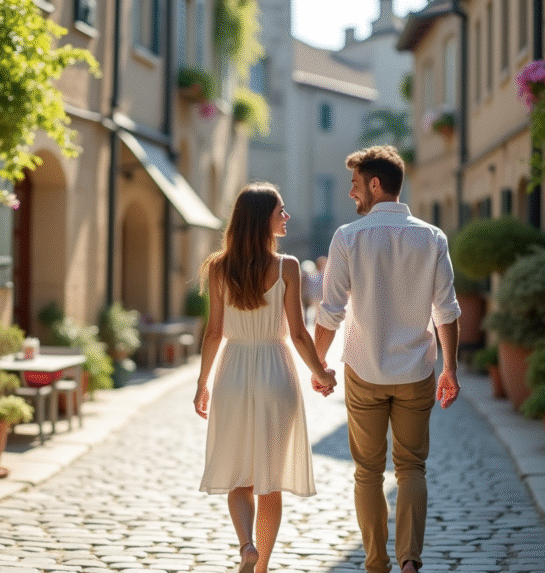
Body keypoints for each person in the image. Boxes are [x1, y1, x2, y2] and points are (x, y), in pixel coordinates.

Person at [311, 146, 461, 573]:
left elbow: (331, 310)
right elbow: (446, 310)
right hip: (416, 371)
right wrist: (449, 368)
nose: (351, 194)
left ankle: (376, 564)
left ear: (375, 184)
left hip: (364, 371)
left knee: (367, 472)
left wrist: (319, 365)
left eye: (356, 185)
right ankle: (410, 561)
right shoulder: (432, 237)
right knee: (412, 467)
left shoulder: (348, 237)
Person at [193, 182, 337, 573]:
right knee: (270, 481)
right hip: (276, 371)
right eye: (281, 211)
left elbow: (213, 333)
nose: (286, 217)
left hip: (233, 373)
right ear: (262, 219)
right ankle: (262, 568)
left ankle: (246, 546)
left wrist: (202, 383)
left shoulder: (219, 268)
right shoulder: (286, 266)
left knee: (240, 477)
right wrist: (321, 373)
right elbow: (298, 334)